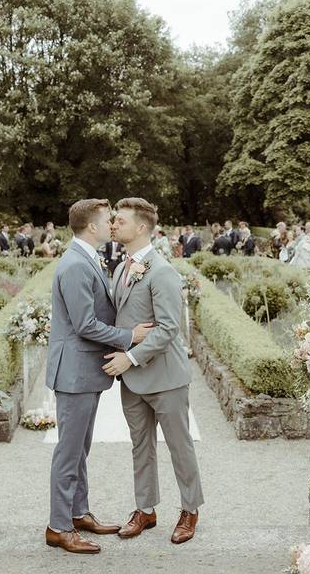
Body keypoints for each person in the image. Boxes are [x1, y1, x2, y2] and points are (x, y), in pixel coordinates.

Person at [44, 199, 153, 554]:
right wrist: (129, 337)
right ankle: (58, 527)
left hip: (83, 371)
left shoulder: (87, 257)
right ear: (92, 226)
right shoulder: (76, 264)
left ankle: (78, 513)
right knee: (69, 451)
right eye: (108, 219)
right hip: (74, 372)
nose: (112, 224)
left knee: (79, 449)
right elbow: (84, 324)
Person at [106, 197, 204, 545]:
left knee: (180, 446)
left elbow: (167, 329)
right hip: (132, 380)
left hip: (165, 378)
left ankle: (190, 509)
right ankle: (145, 509)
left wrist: (129, 358)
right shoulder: (120, 268)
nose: (113, 224)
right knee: (140, 446)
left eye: (120, 220)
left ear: (142, 227)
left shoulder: (163, 271)